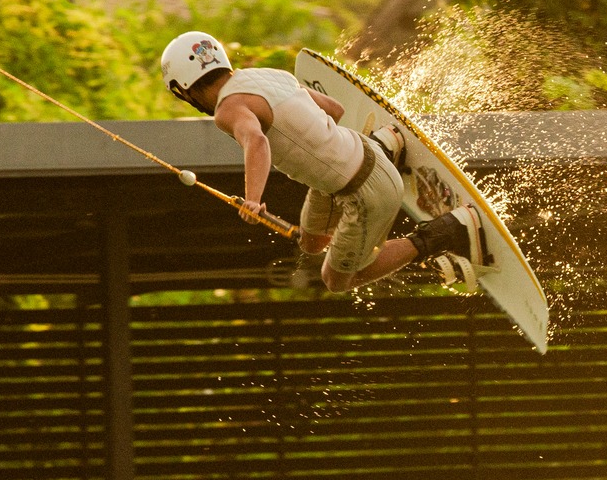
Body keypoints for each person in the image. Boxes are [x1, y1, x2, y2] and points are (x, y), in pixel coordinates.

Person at [158, 31, 482, 292]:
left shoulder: (227, 110)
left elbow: (256, 141)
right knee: (312, 244)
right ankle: (385, 146)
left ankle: (446, 232)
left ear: (184, 89)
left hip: (365, 192)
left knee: (338, 279)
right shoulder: (267, 75)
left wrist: (253, 201)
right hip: (360, 155)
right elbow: (335, 110)